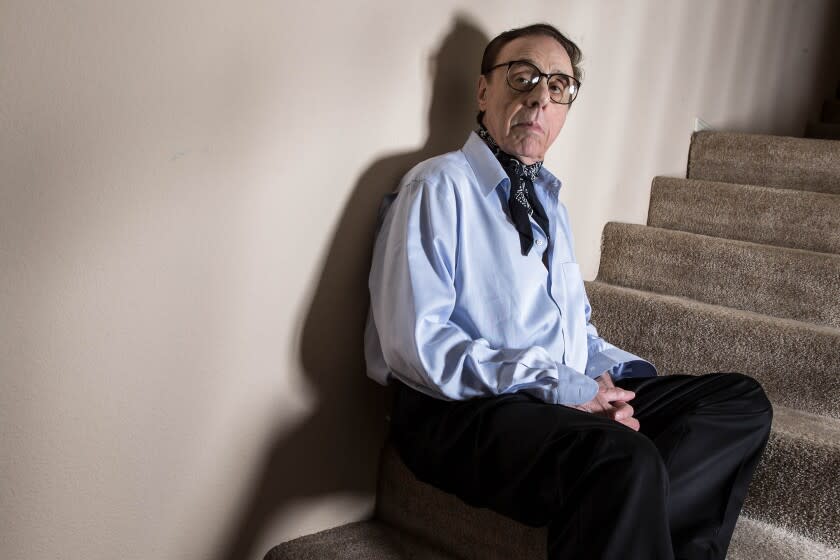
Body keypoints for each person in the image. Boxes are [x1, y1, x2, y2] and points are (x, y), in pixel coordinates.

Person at [364, 23, 772, 560]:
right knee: (624, 457)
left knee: (737, 401)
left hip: (555, 395)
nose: (539, 96)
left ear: (565, 107)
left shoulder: (551, 204)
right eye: (522, 77)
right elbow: (417, 348)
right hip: (461, 409)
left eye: (558, 86)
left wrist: (603, 382)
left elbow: (575, 324)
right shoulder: (436, 187)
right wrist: (562, 386)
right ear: (484, 91)